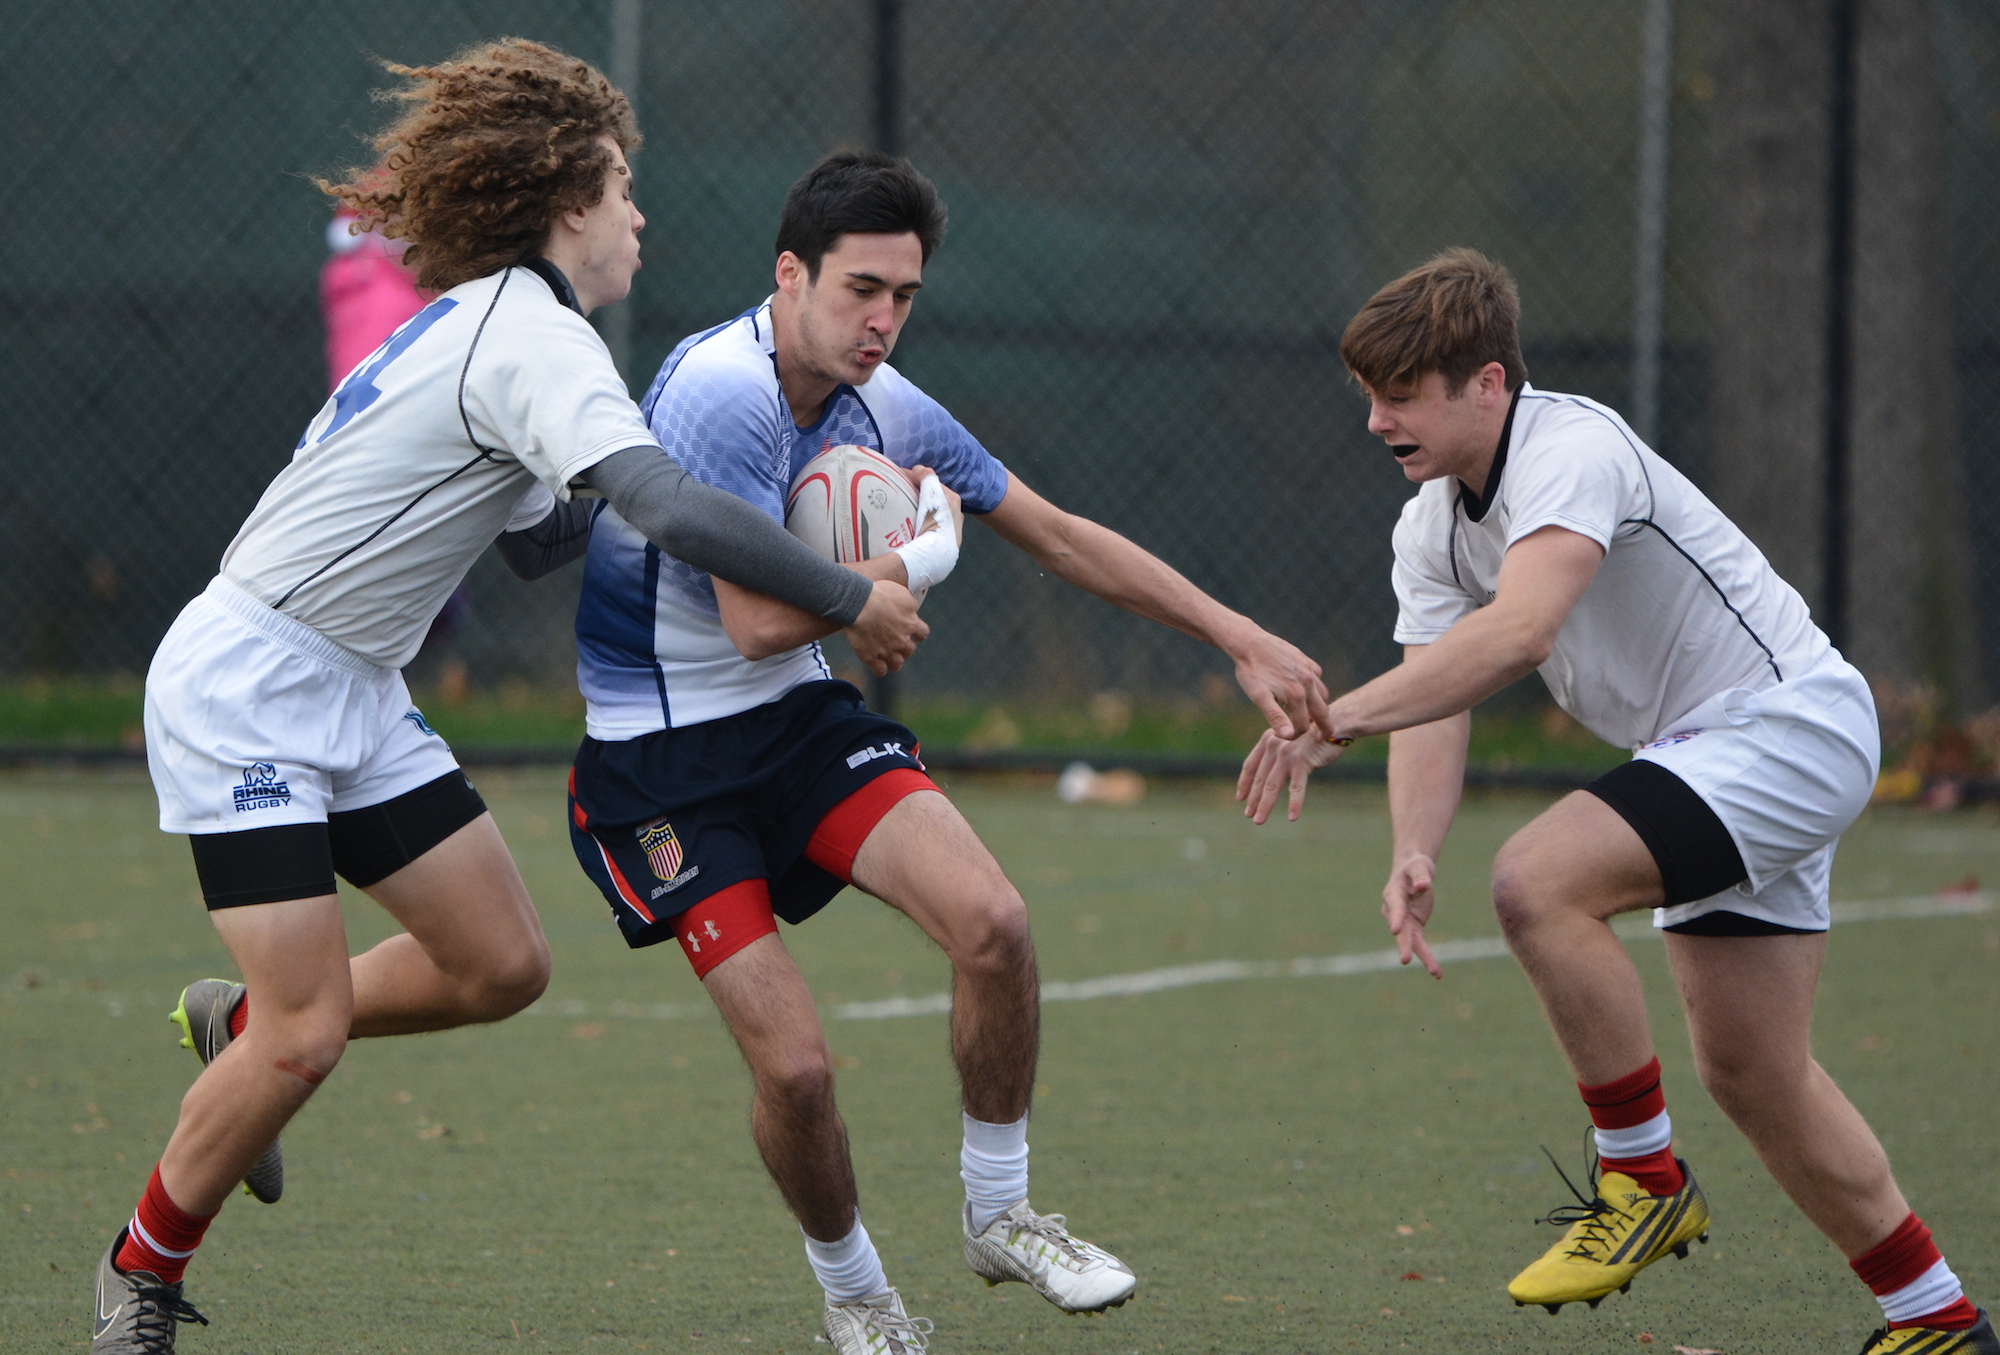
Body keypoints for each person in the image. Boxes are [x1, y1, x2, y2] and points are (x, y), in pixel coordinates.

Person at [94, 41, 926, 1354]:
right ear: (568, 200)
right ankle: (139, 1275)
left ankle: (236, 1025)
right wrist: (840, 591)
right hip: (249, 685)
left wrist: (635, 452)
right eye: (623, 186)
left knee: (501, 962)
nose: (639, 214)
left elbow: (544, 532)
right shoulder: (527, 328)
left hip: (354, 685)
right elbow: (647, 502)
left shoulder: (511, 328)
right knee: (310, 1033)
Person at [556, 150, 1334, 1353]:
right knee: (800, 1071)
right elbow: (756, 620)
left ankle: (1000, 1211)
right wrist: (908, 564)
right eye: (861, 288)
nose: (882, 320)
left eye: (903, 295)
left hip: (792, 722)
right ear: (788, 274)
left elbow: (1059, 534)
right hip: (659, 758)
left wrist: (1234, 635)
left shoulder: (886, 404)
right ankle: (856, 1291)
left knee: (995, 923)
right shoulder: (721, 388)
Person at [1237, 249, 1994, 1353]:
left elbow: (1516, 632)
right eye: (1367, 394)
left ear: (1485, 383)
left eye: (1399, 394)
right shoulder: (1430, 522)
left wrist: (1332, 719)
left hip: (1783, 729)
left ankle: (1640, 1181)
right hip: (1711, 756)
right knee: (1751, 1069)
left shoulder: (1573, 448)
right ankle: (1936, 1318)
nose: (1374, 420)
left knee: (1536, 881)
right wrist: (1411, 846)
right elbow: (1434, 696)